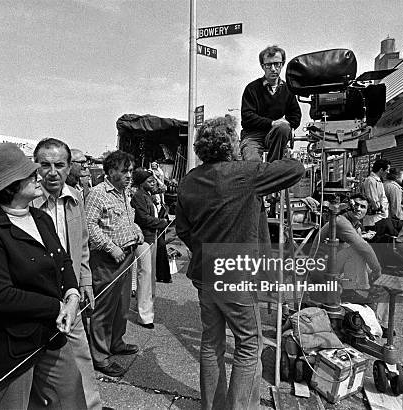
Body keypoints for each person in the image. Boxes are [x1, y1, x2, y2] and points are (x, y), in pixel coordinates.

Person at [176, 116, 304, 409]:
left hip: (205, 274)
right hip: (236, 276)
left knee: (211, 344)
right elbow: (295, 169)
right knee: (249, 346)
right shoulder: (244, 173)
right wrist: (263, 150)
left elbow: (183, 229)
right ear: (230, 144)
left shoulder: (189, 180)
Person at [0, 143, 87, 409]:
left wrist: (72, 294)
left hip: (52, 331)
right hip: (10, 343)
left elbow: (63, 260)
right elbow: (0, 295)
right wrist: (56, 306)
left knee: (71, 398)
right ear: (10, 185)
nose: (40, 177)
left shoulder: (40, 218)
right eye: (31, 174)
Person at [32, 138, 102, 410]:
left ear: (68, 167)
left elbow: (82, 244)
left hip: (70, 290)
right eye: (45, 165)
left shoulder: (75, 197)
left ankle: (91, 405)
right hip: (38, 293)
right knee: (41, 362)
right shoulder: (28, 200)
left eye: (59, 165)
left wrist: (85, 282)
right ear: (35, 166)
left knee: (80, 353)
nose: (52, 172)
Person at [85, 150, 144, 378]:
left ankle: (116, 343)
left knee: (121, 306)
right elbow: (90, 227)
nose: (129, 175)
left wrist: (136, 231)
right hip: (107, 260)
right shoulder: (98, 194)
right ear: (110, 172)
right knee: (103, 309)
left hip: (127, 256)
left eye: (130, 170)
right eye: (124, 171)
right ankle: (100, 357)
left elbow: (128, 219)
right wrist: (111, 247)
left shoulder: (124, 192)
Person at [240, 45, 302, 162]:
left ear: (282, 64)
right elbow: (247, 117)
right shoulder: (252, 88)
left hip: (275, 136)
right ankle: (257, 174)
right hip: (253, 136)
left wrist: (284, 123)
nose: (273, 69)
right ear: (262, 66)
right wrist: (272, 123)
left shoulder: (288, 89)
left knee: (284, 127)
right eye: (268, 65)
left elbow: (295, 116)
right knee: (252, 164)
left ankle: (273, 168)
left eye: (277, 64)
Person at [130, 169, 169, 329]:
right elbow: (143, 219)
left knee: (150, 276)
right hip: (143, 240)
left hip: (152, 238)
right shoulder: (139, 196)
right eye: (150, 181)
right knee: (145, 276)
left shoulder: (148, 194)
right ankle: (144, 316)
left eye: (154, 180)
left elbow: (163, 188)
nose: (154, 183)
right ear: (141, 182)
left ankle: (148, 310)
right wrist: (162, 222)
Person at [361, 159, 396, 238]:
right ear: (381, 169)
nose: (388, 172)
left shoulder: (377, 180)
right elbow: (373, 199)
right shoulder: (371, 180)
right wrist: (381, 209)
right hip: (375, 219)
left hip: (380, 217)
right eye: (387, 169)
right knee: (375, 240)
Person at [383, 167, 403, 232]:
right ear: (397, 176)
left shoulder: (385, 184)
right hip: (395, 221)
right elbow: (395, 207)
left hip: (387, 219)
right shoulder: (394, 188)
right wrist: (397, 222)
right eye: (402, 175)